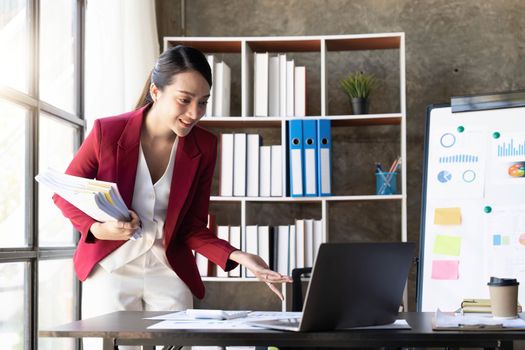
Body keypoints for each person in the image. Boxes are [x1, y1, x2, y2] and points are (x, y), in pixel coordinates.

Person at [53, 45, 291, 350]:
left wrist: (240, 257)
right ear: (156, 91)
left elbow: (192, 225)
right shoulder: (107, 132)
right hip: (111, 268)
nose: (195, 113)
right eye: (184, 100)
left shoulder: (204, 146)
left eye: (203, 102)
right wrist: (98, 229)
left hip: (168, 268)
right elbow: (65, 194)